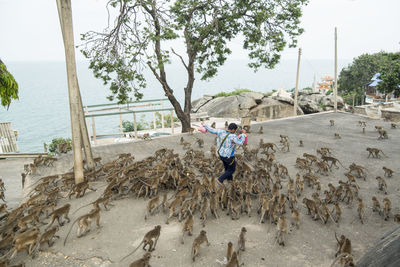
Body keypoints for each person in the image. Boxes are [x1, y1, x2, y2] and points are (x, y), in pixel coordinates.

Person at [201, 121, 247, 186]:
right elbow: (240, 142)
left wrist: (204, 124)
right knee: (232, 170)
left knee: (227, 168)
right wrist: (243, 135)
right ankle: (220, 179)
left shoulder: (220, 132)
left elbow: (212, 130)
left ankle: (230, 180)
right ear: (233, 129)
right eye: (235, 130)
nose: (235, 131)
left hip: (221, 155)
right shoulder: (232, 136)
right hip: (228, 156)